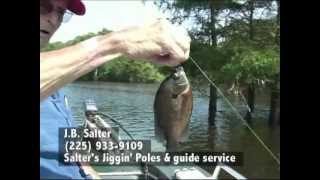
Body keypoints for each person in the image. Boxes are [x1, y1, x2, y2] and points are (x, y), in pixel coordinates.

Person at [40, 0, 191, 179]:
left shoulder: (54, 86)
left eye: (61, 13)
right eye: (43, 6)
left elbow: (70, 152)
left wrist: (89, 172)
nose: (54, 19)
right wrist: (117, 43)